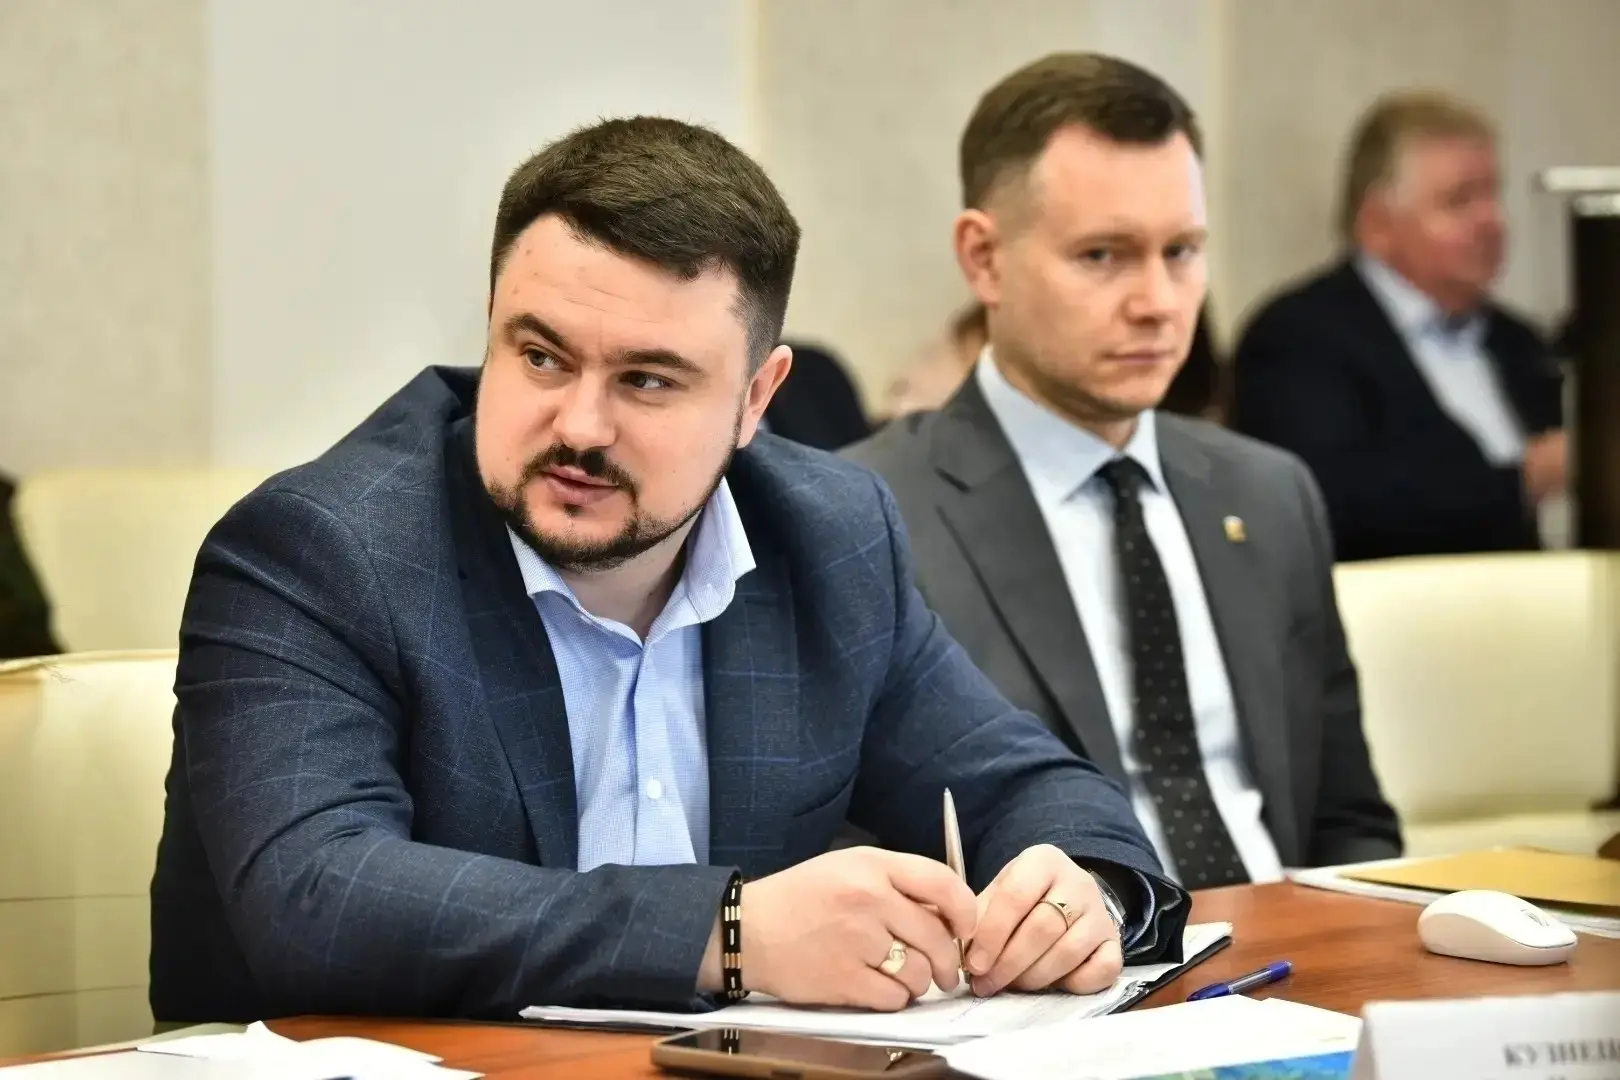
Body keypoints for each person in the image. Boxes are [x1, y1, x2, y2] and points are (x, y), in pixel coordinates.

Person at [149, 116, 1188, 1026]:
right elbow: (314, 899)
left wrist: (1083, 893)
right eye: (541, 356)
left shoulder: (829, 537)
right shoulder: (318, 549)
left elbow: (1025, 785)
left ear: (755, 399)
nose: (579, 426)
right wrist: (728, 933)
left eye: (647, 380)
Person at [848, 53, 1401, 890]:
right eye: (1103, 255)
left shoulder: (1270, 493)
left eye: (1182, 251)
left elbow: (1348, 823)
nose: (1159, 303)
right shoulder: (865, 517)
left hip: (1299, 947)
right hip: (1061, 961)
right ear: (984, 258)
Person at [1229, 91, 1565, 562]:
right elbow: (1326, 504)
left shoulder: (1519, 341)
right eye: (1460, 201)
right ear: (1377, 224)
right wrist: (1525, 480)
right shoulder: (1298, 337)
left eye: (1494, 195)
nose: (1492, 221)